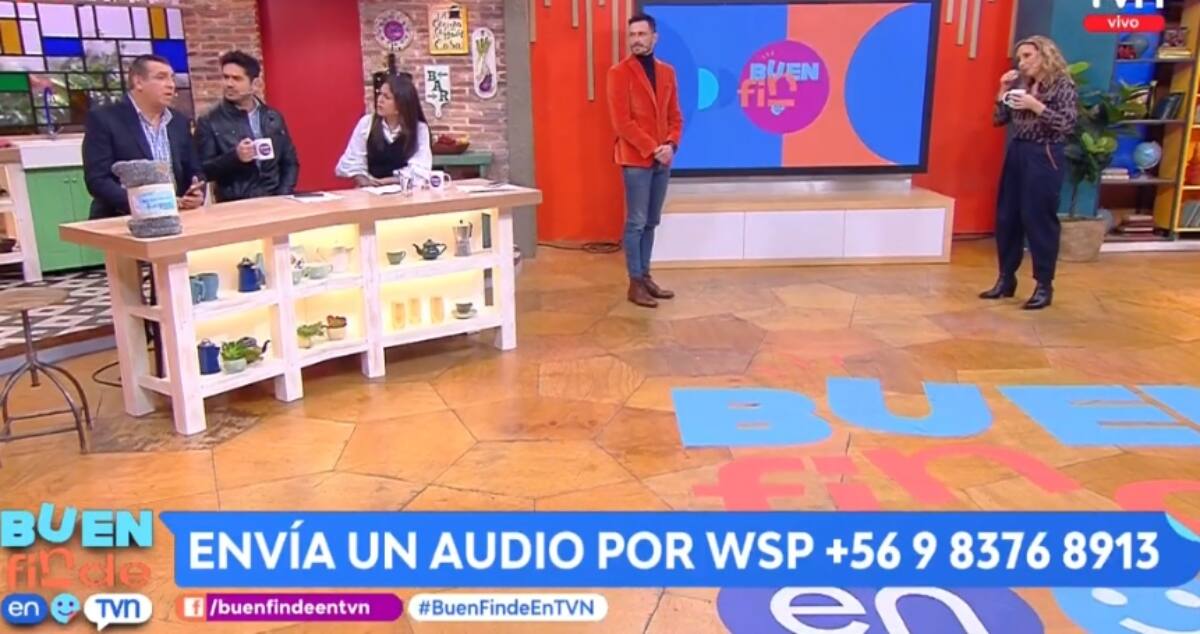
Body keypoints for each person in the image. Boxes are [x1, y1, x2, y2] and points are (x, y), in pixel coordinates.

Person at [981, 35, 1077, 310]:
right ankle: (1006, 278)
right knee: (1007, 216)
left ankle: (1043, 285)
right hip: (1018, 151)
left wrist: (1036, 106)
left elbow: (1067, 125)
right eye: (1019, 58)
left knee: (1038, 219)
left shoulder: (1063, 85)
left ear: (1045, 55)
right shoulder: (1021, 84)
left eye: (1027, 56)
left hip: (1045, 153)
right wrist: (1002, 90)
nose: (1021, 63)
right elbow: (999, 120)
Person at [606, 13, 682, 308]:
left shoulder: (668, 72)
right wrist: (653, 148)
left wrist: (671, 144)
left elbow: (675, 116)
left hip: (663, 160)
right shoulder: (618, 73)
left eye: (641, 34)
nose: (636, 40)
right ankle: (634, 282)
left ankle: (646, 276)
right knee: (636, 222)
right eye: (632, 35)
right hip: (636, 159)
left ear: (654, 37)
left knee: (651, 221)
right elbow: (622, 123)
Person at [82, 54, 204, 219]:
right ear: (138, 82)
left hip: (176, 217)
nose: (170, 85)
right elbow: (98, 180)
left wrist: (197, 192)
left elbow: (195, 170)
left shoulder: (179, 122)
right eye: (161, 77)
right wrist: (147, 204)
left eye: (172, 78)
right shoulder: (104, 119)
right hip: (122, 219)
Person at [194, 50, 299, 202]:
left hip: (275, 201)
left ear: (254, 84)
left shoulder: (273, 117)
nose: (229, 84)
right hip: (235, 205)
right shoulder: (209, 120)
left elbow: (290, 162)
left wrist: (283, 195)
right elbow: (203, 170)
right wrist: (235, 157)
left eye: (236, 79)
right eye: (225, 77)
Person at [335, 73, 432, 186]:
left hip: (405, 190)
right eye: (379, 94)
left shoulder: (419, 129)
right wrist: (365, 182)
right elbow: (353, 161)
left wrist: (390, 181)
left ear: (401, 104)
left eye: (387, 97)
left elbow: (421, 170)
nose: (380, 100)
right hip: (370, 190)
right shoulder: (366, 123)